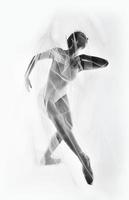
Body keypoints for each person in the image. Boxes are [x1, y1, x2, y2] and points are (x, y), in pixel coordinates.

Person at [25, 31, 108, 185]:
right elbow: (36, 57)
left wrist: (83, 59)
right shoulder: (57, 53)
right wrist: (26, 75)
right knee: (64, 129)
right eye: (78, 44)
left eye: (80, 47)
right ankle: (83, 158)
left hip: (62, 97)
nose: (76, 48)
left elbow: (104, 63)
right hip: (48, 98)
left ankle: (47, 157)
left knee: (68, 125)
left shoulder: (79, 63)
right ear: (73, 42)